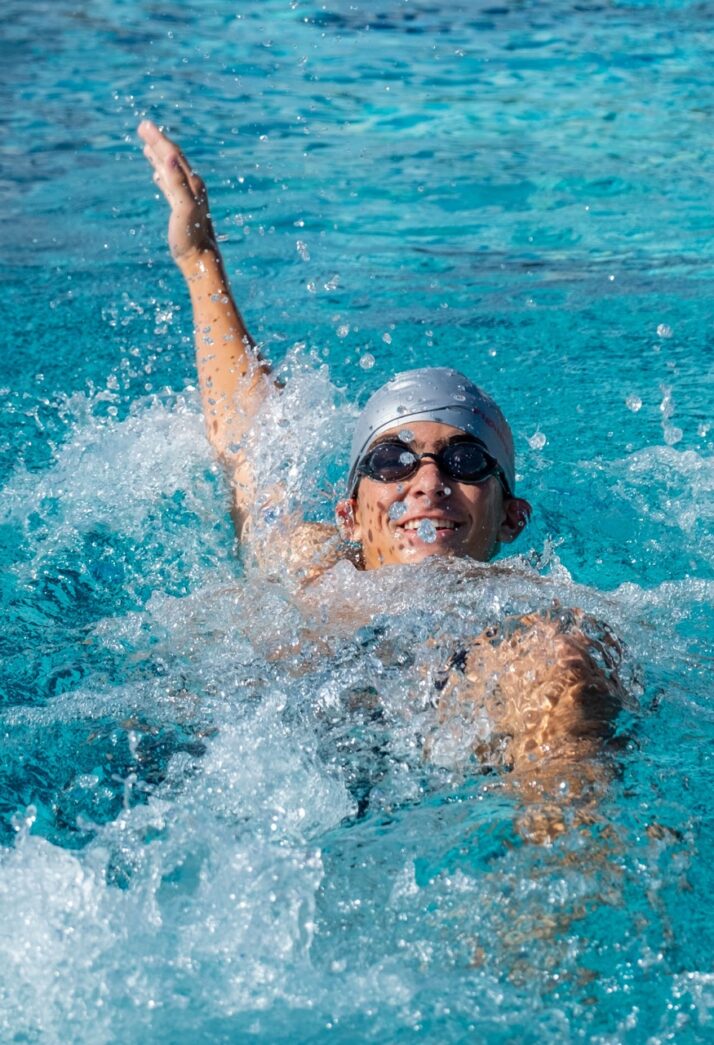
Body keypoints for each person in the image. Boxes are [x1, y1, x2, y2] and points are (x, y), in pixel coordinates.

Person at [138, 120, 630, 835]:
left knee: (567, 673)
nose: (427, 482)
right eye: (393, 461)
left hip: (462, 735)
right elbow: (253, 449)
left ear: (511, 516)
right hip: (281, 771)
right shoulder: (314, 563)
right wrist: (201, 259)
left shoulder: (538, 611)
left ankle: (560, 900)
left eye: (463, 461)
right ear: (350, 512)